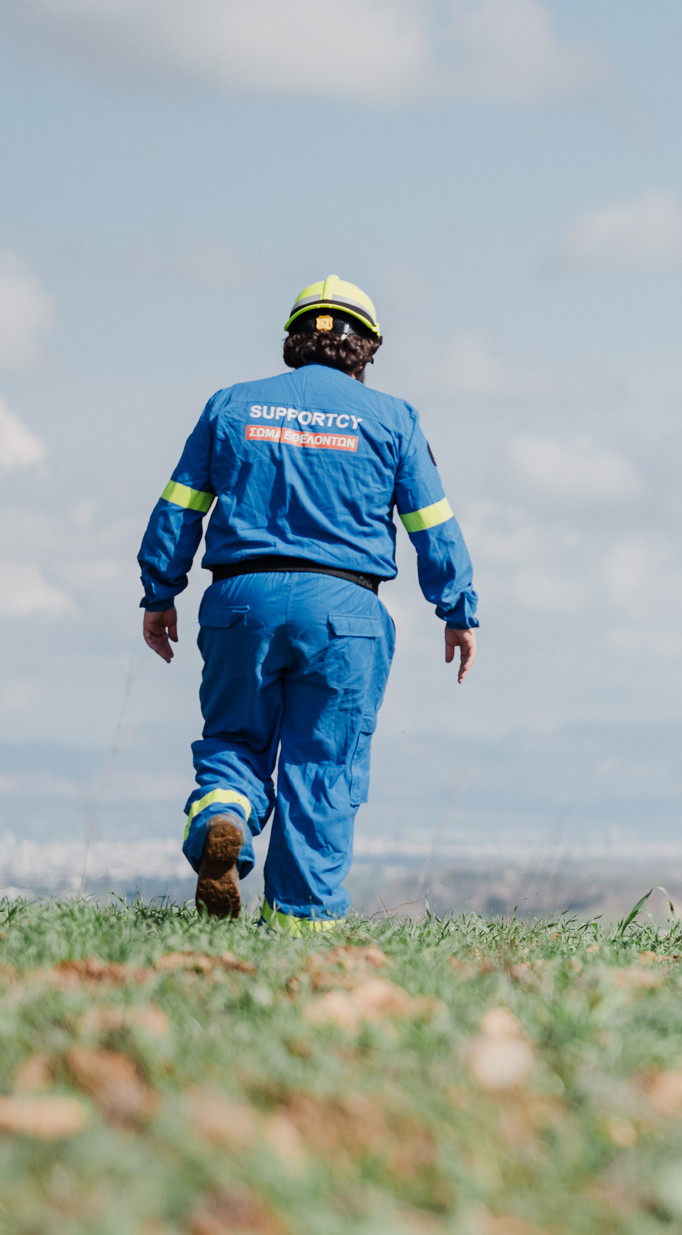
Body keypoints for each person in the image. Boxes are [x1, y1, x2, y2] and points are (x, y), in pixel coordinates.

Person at [136, 276, 478, 932]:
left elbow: (179, 506)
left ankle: (223, 813)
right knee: (323, 767)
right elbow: (432, 522)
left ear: (294, 340)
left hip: (241, 603)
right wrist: (457, 608)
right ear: (367, 348)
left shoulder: (231, 406)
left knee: (234, 738)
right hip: (346, 614)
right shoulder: (395, 419)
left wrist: (161, 591)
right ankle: (300, 930)